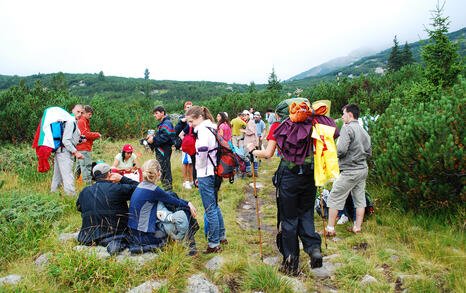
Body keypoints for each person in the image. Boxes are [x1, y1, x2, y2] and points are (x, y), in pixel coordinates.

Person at [248, 98, 338, 275]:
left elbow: (267, 154)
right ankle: (313, 249)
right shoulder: (314, 122)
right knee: (306, 214)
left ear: (279, 113)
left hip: (288, 176)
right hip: (310, 176)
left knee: (288, 219)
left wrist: (252, 150)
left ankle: (291, 262)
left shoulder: (279, 127)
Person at [127, 159, 199, 255]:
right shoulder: (154, 190)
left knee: (172, 198)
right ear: (158, 173)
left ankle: (190, 247)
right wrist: (189, 203)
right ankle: (191, 250)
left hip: (134, 232)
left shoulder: (140, 186)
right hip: (144, 235)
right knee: (184, 211)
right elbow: (174, 201)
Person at [185, 105, 227, 254]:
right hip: (216, 172)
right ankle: (222, 236)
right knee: (215, 206)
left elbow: (202, 153)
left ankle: (214, 244)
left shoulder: (202, 130)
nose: (190, 125)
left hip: (206, 173)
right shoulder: (212, 128)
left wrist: (198, 174)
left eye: (191, 121)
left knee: (210, 209)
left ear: (199, 117)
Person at [326, 103, 371, 236]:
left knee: (334, 196)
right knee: (360, 199)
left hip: (350, 170)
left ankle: (330, 229)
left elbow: (341, 149)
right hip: (362, 169)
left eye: (343, 113)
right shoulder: (363, 130)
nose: (342, 116)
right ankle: (357, 227)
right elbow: (369, 151)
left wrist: (333, 154)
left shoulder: (347, 128)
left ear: (350, 114)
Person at [76, 163, 139, 247]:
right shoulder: (117, 188)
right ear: (109, 174)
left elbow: (79, 207)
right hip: (116, 234)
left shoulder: (84, 191)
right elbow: (141, 189)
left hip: (88, 237)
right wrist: (121, 178)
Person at [51, 104, 84, 195]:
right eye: (78, 112)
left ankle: (54, 194)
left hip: (60, 150)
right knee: (68, 176)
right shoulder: (70, 121)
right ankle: (71, 196)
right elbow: (66, 140)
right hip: (65, 152)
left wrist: (79, 141)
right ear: (72, 110)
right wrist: (76, 152)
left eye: (81, 112)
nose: (79, 114)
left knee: (57, 176)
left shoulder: (69, 121)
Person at [147, 105, 176, 191]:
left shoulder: (167, 123)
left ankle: (168, 189)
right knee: (162, 168)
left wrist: (154, 139)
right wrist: (151, 138)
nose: (154, 115)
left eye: (156, 113)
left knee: (165, 169)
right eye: (154, 114)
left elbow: (166, 137)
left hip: (164, 151)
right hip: (161, 150)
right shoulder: (162, 123)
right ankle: (166, 188)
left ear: (162, 113)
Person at [76, 105, 101, 184]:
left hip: (81, 148)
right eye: (89, 114)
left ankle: (75, 182)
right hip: (83, 148)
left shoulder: (83, 121)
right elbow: (84, 134)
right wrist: (96, 135)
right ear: (85, 113)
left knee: (79, 167)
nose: (90, 116)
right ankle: (87, 183)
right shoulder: (81, 121)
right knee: (86, 166)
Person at [176, 101, 194, 189]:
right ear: (184, 108)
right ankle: (185, 181)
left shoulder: (194, 117)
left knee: (191, 162)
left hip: (193, 143)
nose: (189, 108)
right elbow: (177, 131)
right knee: (185, 162)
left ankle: (191, 180)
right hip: (185, 143)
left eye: (190, 107)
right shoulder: (182, 118)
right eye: (187, 107)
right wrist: (181, 122)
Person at [242, 110, 258, 177]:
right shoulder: (249, 122)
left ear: (248, 115)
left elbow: (251, 131)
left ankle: (250, 172)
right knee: (252, 156)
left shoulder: (250, 122)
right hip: (251, 141)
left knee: (247, 156)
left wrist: (244, 131)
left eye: (245, 115)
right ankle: (254, 171)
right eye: (243, 115)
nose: (244, 117)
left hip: (250, 142)